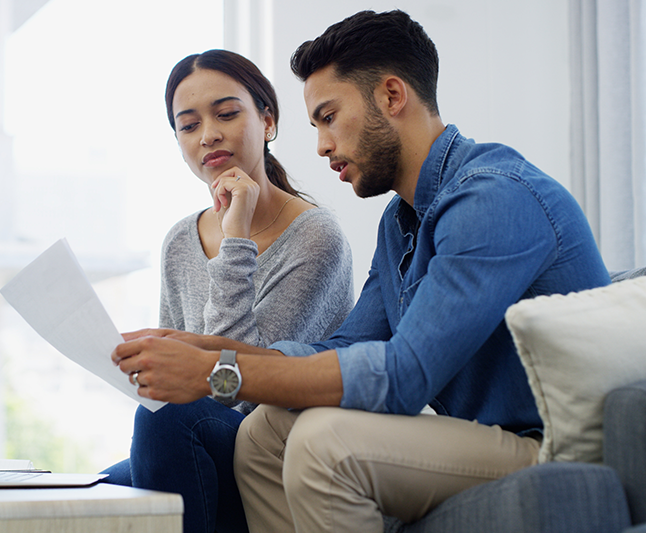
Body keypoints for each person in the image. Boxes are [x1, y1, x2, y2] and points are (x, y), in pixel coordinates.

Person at [113, 10, 610, 532]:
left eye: (328, 117)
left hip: (553, 443)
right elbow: (345, 346)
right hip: (485, 436)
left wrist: (216, 373)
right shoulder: (403, 220)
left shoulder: (493, 198)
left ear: (392, 96)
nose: (323, 145)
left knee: (324, 442)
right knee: (264, 431)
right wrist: (207, 349)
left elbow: (405, 375)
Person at [99, 49, 354, 533]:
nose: (208, 134)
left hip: (272, 450)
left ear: (268, 121)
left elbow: (236, 385)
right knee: (92, 494)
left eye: (226, 114)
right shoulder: (180, 240)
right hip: (193, 441)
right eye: (188, 125)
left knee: (167, 422)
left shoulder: (316, 237)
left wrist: (235, 238)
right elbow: (171, 377)